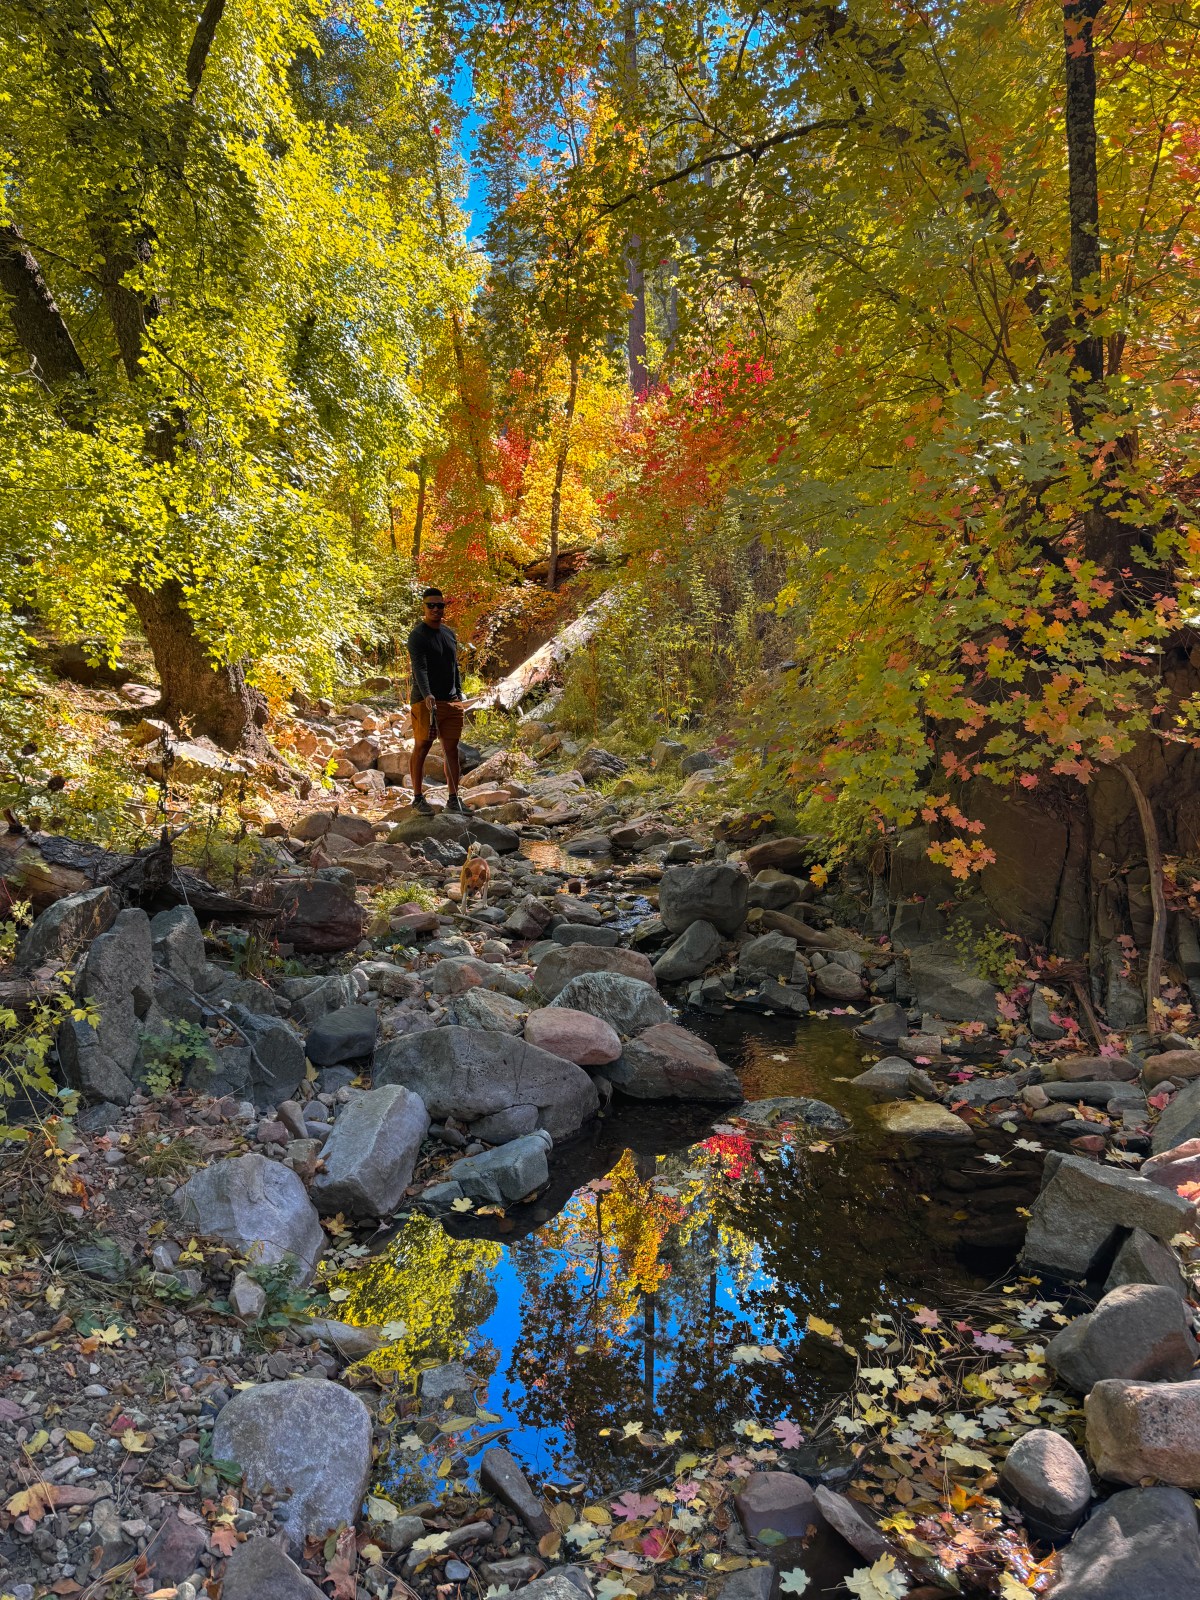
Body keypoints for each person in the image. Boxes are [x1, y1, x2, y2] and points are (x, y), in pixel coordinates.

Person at [407, 586, 466, 814]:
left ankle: (454, 798)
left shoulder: (449, 634)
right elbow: (419, 668)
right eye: (430, 605)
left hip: (451, 701)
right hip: (425, 702)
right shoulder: (417, 636)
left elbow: (454, 667)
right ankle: (418, 798)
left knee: (451, 749)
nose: (435, 609)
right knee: (422, 746)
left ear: (444, 608)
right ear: (424, 607)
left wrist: (458, 693)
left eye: (439, 605)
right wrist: (427, 694)